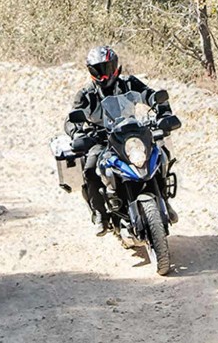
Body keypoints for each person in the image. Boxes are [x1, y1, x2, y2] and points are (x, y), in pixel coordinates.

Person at [65, 46, 178, 234]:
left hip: (130, 132)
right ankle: (100, 213)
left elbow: (151, 96)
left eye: (107, 68)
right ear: (91, 71)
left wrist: (163, 112)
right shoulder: (86, 94)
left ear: (115, 66)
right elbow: (71, 119)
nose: (104, 74)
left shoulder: (129, 83)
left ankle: (164, 200)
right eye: (98, 70)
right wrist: (77, 133)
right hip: (101, 138)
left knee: (159, 153)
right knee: (91, 168)